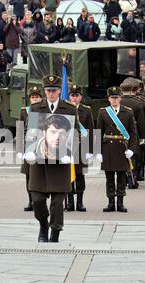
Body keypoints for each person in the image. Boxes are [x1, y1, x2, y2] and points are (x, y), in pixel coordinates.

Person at [26, 75, 79, 243]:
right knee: (37, 199)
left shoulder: (69, 109)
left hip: (59, 163)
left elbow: (74, 134)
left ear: (59, 91)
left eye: (54, 90)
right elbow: (31, 131)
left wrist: (69, 153)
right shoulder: (36, 108)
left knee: (57, 203)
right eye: (48, 90)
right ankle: (43, 224)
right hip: (40, 163)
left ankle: (55, 232)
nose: (51, 93)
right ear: (44, 91)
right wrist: (29, 150)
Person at [95, 86, 136, 212]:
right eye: (112, 98)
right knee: (110, 178)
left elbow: (133, 133)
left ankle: (120, 202)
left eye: (116, 98)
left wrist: (132, 149)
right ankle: (111, 202)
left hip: (122, 148)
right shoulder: (103, 112)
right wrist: (97, 151)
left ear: (120, 98)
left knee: (122, 177)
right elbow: (98, 132)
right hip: (108, 148)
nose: (114, 100)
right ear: (108, 99)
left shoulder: (128, 112)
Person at [65, 84, 94, 212]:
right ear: (69, 96)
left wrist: (91, 150)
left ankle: (80, 202)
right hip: (67, 147)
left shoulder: (86, 110)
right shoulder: (65, 109)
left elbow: (91, 131)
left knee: (80, 175)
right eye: (72, 95)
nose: (75, 98)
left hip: (81, 147)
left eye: (77, 95)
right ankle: (70, 202)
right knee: (68, 175)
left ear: (81, 97)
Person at [16, 86, 43, 212]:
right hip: (29, 148)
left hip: (42, 148)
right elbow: (20, 132)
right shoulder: (24, 111)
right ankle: (31, 201)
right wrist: (20, 151)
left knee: (41, 175)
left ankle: (40, 200)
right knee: (28, 176)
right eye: (32, 97)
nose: (34, 99)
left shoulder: (44, 111)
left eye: (37, 97)